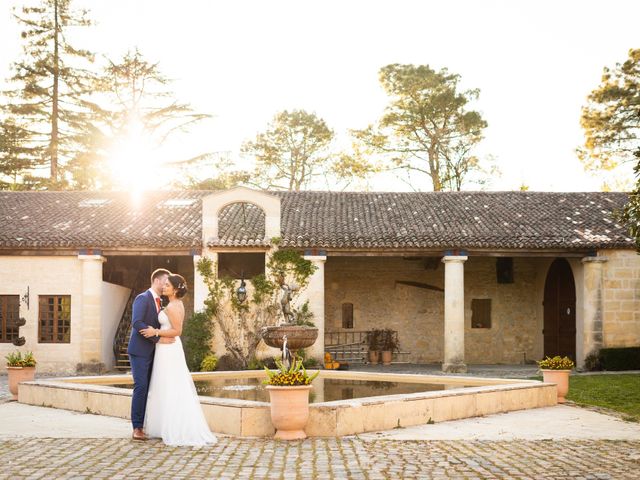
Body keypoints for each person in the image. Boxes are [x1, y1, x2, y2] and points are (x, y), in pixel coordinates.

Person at [140, 273, 217, 447]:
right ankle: (162, 426)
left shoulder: (173, 307)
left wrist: (155, 332)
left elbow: (177, 331)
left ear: (174, 290)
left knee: (171, 386)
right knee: (164, 385)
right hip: (164, 348)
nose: (164, 287)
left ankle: (174, 427)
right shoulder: (174, 304)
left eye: (167, 285)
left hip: (169, 349)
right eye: (164, 284)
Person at [128, 268, 173, 441]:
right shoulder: (142, 298)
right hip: (139, 351)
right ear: (157, 280)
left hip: (154, 352)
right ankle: (137, 428)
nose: (167, 285)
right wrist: (157, 338)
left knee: (150, 388)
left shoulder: (159, 302)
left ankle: (146, 424)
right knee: (141, 387)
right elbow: (137, 322)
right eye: (166, 281)